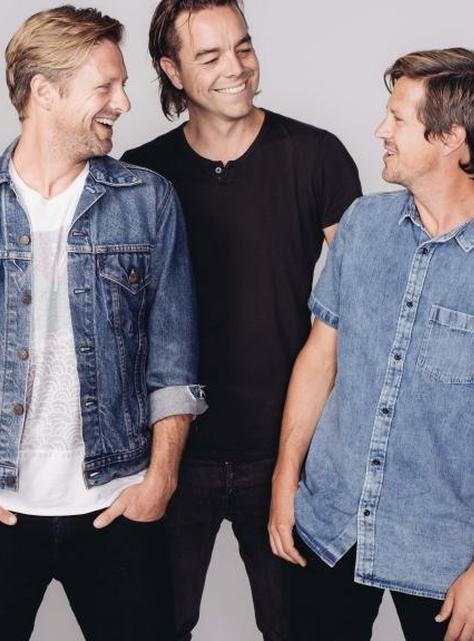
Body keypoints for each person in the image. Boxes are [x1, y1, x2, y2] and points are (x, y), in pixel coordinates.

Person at [0, 6, 206, 640]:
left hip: (116, 503)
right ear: (44, 90)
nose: (124, 103)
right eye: (107, 86)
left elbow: (173, 359)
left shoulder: (147, 200)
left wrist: (161, 478)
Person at [267, 48, 474, 641]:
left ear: (451, 138)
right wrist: (286, 485)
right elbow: (319, 358)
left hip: (445, 552)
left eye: (398, 119)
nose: (380, 130)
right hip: (329, 525)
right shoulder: (362, 223)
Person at [121, 2, 360, 638]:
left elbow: (365, 306)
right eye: (210, 56)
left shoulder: (316, 156)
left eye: (243, 47)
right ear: (171, 70)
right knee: (153, 626)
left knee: (300, 629)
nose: (238, 68)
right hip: (167, 451)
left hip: (287, 450)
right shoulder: (141, 174)